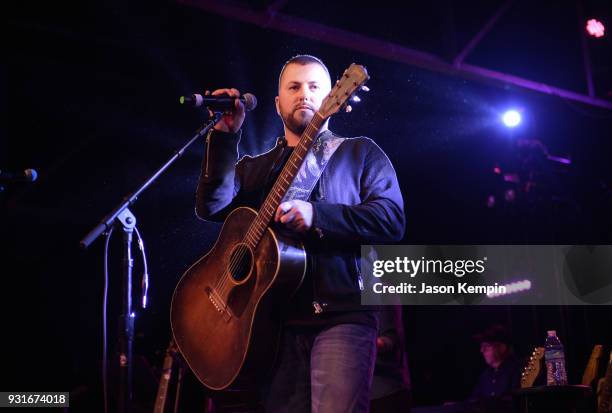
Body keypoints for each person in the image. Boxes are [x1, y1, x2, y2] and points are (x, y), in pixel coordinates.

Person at [195, 54, 405, 412]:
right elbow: (211, 206)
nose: (304, 94)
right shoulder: (254, 169)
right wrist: (224, 140)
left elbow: (391, 220)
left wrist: (319, 215)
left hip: (341, 315)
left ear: (331, 97)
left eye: (314, 87)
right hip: (271, 326)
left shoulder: (360, 153)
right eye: (293, 87)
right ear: (277, 104)